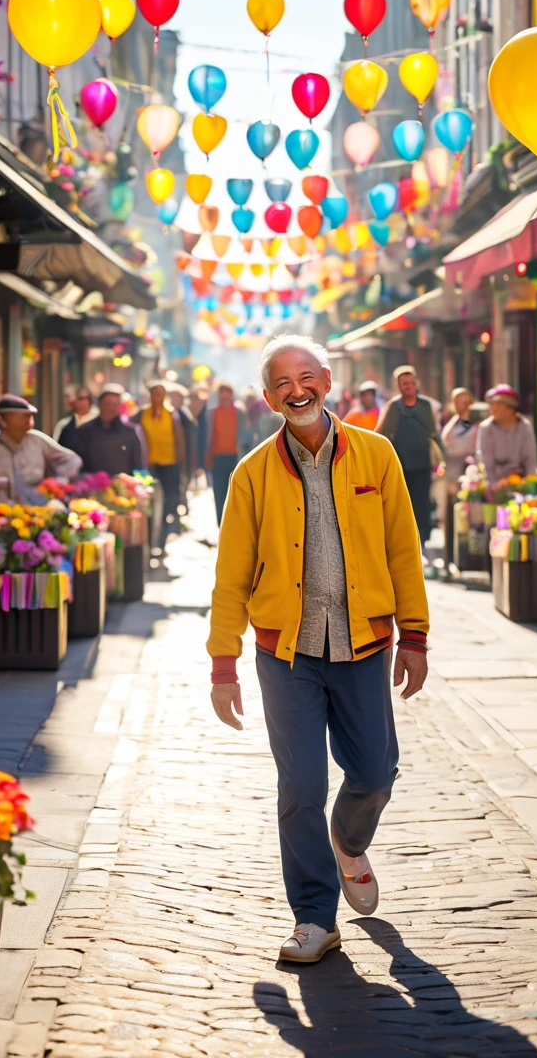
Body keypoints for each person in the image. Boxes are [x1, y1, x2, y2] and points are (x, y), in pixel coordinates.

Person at [209, 334, 429, 965]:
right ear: (268, 396)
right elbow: (231, 576)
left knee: (374, 774)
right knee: (300, 786)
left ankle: (348, 840)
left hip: (363, 646)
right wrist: (223, 663)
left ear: (328, 381)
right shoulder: (251, 474)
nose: (297, 390)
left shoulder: (376, 455)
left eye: (307, 377)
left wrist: (414, 635)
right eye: (282, 382)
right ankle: (313, 916)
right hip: (288, 656)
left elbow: (402, 552)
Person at [375, 366, 444, 550]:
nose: (409, 387)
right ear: (399, 385)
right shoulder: (393, 407)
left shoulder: (425, 406)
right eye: (405, 383)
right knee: (403, 505)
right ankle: (405, 542)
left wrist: (442, 457)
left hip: (422, 464)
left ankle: (422, 541)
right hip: (400, 465)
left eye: (412, 383)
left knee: (422, 504)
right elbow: (380, 433)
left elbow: (434, 433)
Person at [0, 395, 81, 504]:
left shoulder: (38, 440)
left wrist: (57, 481)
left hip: (38, 512)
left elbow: (73, 460)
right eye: (24, 416)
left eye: (30, 416)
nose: (29, 422)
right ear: (1, 419)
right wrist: (6, 482)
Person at [140, 381, 185, 549]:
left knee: (168, 501)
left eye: (160, 393)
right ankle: (151, 539)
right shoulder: (142, 414)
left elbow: (180, 442)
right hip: (150, 465)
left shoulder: (172, 415)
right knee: (151, 503)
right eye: (154, 393)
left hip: (170, 464)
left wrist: (184, 468)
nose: (157, 397)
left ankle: (162, 539)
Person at [441, 388, 479, 570]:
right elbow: (445, 440)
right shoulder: (455, 422)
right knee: (450, 516)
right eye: (457, 401)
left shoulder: (474, 423)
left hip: (467, 474)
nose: (461, 405)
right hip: (452, 474)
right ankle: (450, 558)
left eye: (465, 400)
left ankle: (465, 559)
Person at [74, 384, 144, 476]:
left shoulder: (129, 433)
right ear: (99, 405)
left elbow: (138, 465)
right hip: (94, 487)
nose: (110, 408)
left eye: (114, 404)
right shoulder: (85, 431)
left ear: (120, 406)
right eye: (107, 404)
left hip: (123, 486)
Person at [206, 383, 251, 525]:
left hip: (235, 459)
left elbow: (246, 436)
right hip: (218, 459)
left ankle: (235, 524)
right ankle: (221, 524)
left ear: (232, 395)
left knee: (235, 494)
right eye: (222, 393)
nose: (224, 396)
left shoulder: (240, 413)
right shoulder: (212, 414)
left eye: (227, 393)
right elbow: (207, 437)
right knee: (218, 494)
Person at [476, 385, 537, 484]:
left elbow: (530, 461)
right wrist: (494, 489)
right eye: (492, 404)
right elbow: (486, 464)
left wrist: (530, 485)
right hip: (495, 482)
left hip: (520, 481)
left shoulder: (525, 426)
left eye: (498, 405)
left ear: (511, 409)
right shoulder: (486, 428)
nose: (493, 409)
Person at [167, 384, 198, 510]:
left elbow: (191, 438)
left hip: (184, 455)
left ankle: (181, 505)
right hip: (170, 455)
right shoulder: (167, 413)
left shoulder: (184, 415)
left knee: (183, 481)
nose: (174, 399)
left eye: (177, 397)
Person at [53, 386, 98, 454]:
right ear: (74, 401)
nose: (83, 402)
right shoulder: (64, 424)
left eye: (87, 398)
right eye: (80, 398)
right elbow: (55, 447)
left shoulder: (99, 421)